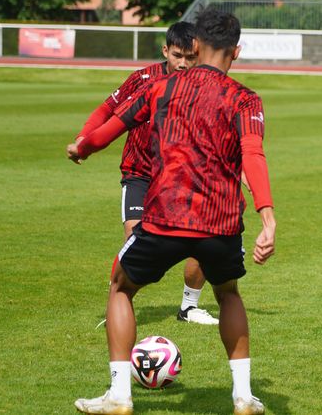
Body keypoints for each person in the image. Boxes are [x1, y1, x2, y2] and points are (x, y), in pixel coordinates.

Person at [69, 8, 276, 415]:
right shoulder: (245, 98)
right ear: (237, 50)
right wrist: (267, 217)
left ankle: (119, 395)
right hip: (220, 221)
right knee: (228, 293)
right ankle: (243, 396)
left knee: (121, 287)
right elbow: (254, 154)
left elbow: (113, 128)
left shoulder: (160, 87)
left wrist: (83, 147)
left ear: (194, 45)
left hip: (164, 216)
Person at [71, 21, 219, 326]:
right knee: (135, 240)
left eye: (191, 57)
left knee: (203, 238)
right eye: (177, 55)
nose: (183, 63)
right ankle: (119, 303)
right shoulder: (142, 80)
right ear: (165, 51)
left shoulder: (203, 86)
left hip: (180, 177)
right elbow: (105, 111)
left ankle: (189, 307)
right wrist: (83, 139)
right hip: (140, 173)